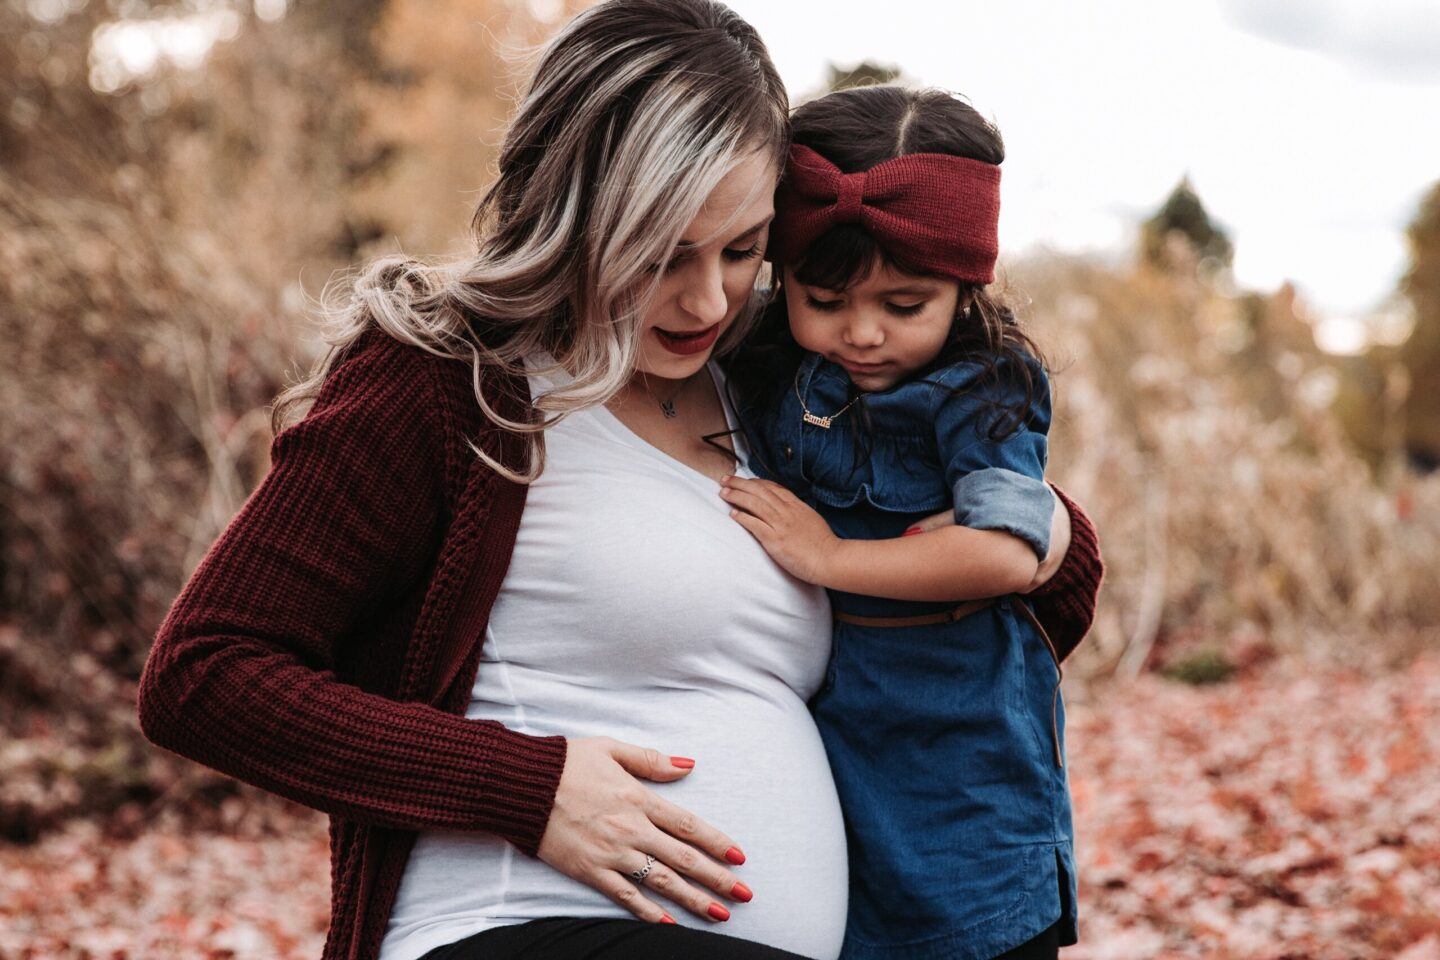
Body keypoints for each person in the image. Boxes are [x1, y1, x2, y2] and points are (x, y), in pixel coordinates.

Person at [135, 4, 1103, 960]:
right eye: (659, 256)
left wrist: (1054, 540)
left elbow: (984, 617)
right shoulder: (453, 378)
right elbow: (207, 673)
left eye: (741, 251)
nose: (707, 299)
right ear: (571, 213)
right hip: (509, 924)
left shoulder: (770, 390)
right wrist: (526, 787)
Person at [720, 86, 1085, 960]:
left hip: (958, 744)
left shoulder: (982, 392)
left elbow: (1001, 553)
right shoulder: (766, 368)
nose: (863, 333)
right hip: (829, 737)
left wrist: (830, 555)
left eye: (904, 305)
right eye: (826, 298)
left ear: (964, 288)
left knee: (969, 929)